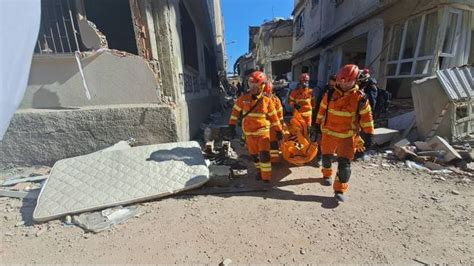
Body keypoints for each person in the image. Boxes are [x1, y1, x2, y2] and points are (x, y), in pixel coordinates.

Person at [313, 64, 375, 202]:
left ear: (355, 80)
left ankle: (339, 189)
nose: (344, 84)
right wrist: (316, 125)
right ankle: (326, 174)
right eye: (341, 80)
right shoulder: (329, 95)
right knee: (326, 157)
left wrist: (369, 135)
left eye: (348, 81)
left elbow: (366, 117)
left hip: (347, 136)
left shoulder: (360, 98)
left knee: (344, 164)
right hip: (328, 133)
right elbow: (321, 110)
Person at [228, 71, 284, 182]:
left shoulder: (267, 101)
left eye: (255, 85)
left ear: (262, 86)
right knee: (254, 156)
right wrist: (231, 126)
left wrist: (279, 131)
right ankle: (260, 170)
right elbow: (235, 113)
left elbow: (274, 118)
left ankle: (266, 178)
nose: (252, 88)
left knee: (264, 155)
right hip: (249, 134)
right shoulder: (243, 99)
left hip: (263, 133)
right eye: (251, 85)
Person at [263, 80, 285, 163]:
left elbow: (280, 116)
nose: (266, 95)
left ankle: (274, 160)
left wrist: (280, 129)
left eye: (267, 93)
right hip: (262, 128)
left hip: (272, 128)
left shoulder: (276, 101)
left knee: (273, 144)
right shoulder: (257, 101)